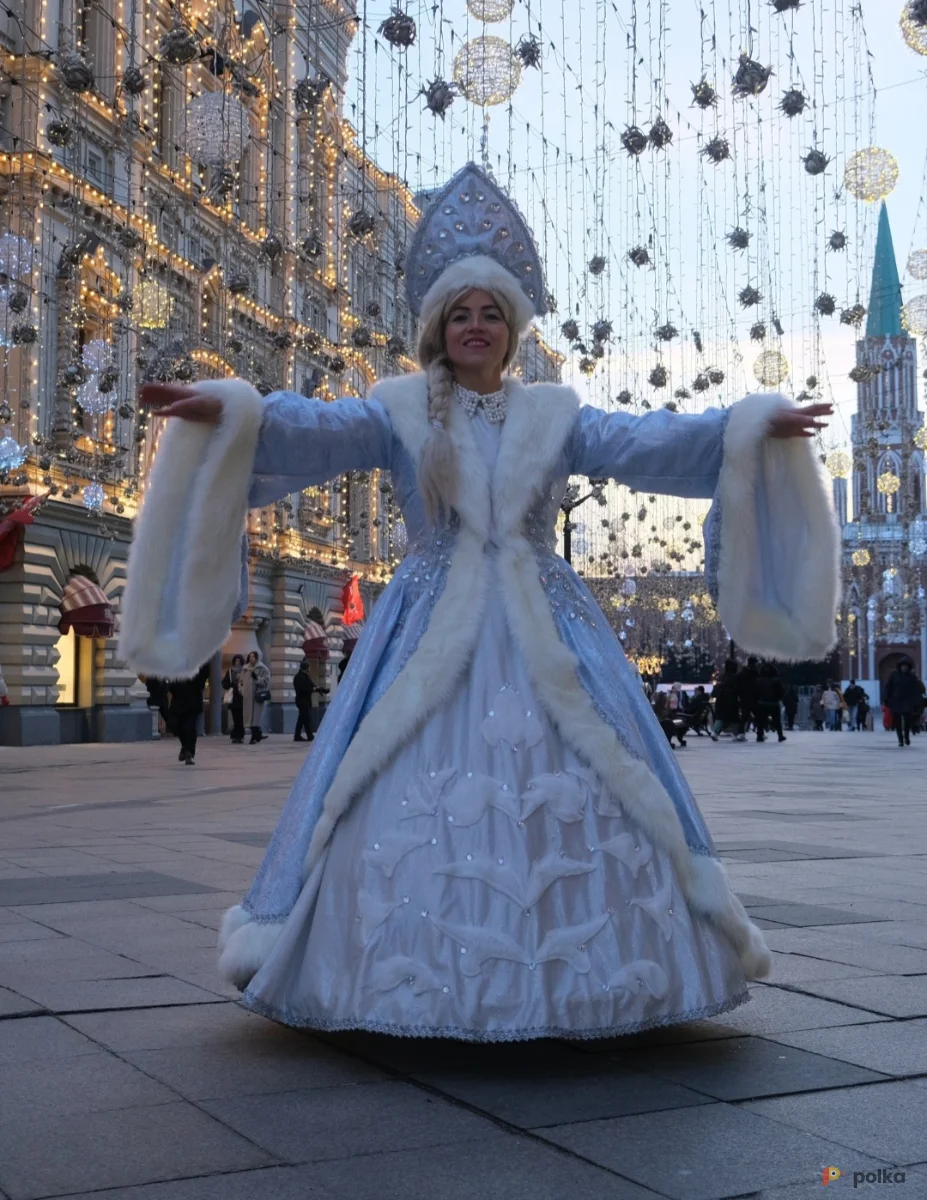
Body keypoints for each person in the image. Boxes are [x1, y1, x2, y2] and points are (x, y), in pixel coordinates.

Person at [122, 162, 836, 1042]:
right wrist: (231, 410)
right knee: (393, 779)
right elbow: (309, 427)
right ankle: (385, 978)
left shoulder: (555, 415)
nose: (474, 327)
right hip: (428, 620)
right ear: (438, 328)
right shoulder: (396, 411)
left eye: (489, 313)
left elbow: (647, 441)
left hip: (547, 619)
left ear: (511, 330)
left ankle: (605, 981)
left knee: (591, 772)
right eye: (459, 314)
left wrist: (743, 424)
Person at [167, 663, 210, 764]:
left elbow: (205, 671)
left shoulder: (199, 657)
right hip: (179, 697)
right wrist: (172, 687)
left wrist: (199, 684)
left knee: (189, 726)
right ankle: (185, 747)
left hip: (193, 697)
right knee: (177, 725)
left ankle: (189, 752)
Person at [884, 659, 921, 747]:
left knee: (908, 721)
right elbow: (888, 687)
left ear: (908, 667)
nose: (904, 667)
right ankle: (900, 739)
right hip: (896, 701)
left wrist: (916, 702)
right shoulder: (894, 675)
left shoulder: (912, 677)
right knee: (897, 722)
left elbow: (915, 690)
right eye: (903, 666)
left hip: (907, 701)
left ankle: (907, 736)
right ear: (900, 666)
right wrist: (886, 698)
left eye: (906, 666)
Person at [293, 658, 328, 742]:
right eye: (309, 667)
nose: (309, 669)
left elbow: (312, 685)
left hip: (306, 700)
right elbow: (303, 690)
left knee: (301, 719)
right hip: (302, 700)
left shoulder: (306, 676)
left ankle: (297, 735)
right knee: (306, 718)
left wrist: (321, 689)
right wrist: (314, 690)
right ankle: (309, 735)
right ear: (306, 668)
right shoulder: (298, 677)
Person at [240, 650, 270, 744]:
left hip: (257, 697)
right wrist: (241, 690)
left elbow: (266, 682)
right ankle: (257, 735)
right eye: (250, 656)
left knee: (255, 718)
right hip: (248, 697)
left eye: (253, 656)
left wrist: (257, 678)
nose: (251, 658)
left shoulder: (263, 668)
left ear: (256, 658)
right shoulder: (245, 669)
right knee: (249, 717)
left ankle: (254, 737)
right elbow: (240, 682)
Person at [755, 662, 786, 743]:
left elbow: (755, 692)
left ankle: (759, 735)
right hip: (773, 703)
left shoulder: (758, 680)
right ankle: (780, 735)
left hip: (761, 703)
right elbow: (781, 692)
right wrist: (779, 698)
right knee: (777, 720)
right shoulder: (776, 681)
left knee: (760, 721)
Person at [709, 659, 740, 740]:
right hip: (731, 701)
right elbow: (736, 689)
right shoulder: (734, 677)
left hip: (720, 700)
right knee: (734, 718)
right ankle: (737, 733)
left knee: (720, 718)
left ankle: (715, 732)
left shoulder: (722, 676)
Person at [735, 656, 761, 742]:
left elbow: (737, 685)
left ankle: (740, 733)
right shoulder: (755, 673)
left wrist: (739, 694)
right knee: (758, 716)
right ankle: (760, 734)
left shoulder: (742, 673)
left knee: (744, 716)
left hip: (744, 698)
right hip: (754, 698)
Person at [222, 654, 246, 744]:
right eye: (236, 661)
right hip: (233, 697)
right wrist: (231, 685)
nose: (237, 663)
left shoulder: (245, 671)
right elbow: (224, 683)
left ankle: (240, 735)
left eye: (239, 661)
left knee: (241, 717)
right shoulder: (230, 671)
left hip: (242, 696)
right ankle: (236, 735)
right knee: (235, 717)